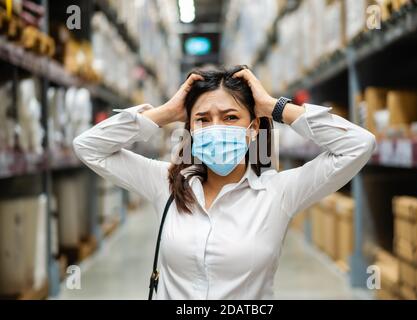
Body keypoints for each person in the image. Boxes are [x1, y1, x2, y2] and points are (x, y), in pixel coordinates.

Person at [73, 65, 376, 300]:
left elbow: (358, 145)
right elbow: (88, 147)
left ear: (253, 128)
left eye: (231, 117)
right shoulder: (164, 184)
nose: (216, 128)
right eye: (203, 119)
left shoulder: (278, 193)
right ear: (189, 128)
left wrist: (274, 106)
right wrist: (165, 112)